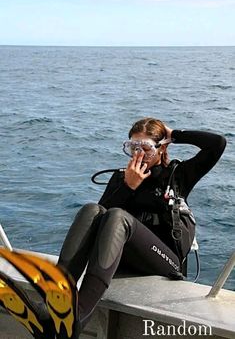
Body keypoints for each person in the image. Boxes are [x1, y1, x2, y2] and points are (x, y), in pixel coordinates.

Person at [57, 117, 227, 336]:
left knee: (119, 216)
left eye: (145, 148)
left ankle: (78, 318)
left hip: (164, 261)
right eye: (132, 147)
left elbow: (218, 144)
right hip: (125, 257)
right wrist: (127, 187)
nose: (139, 155)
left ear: (160, 148)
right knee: (91, 210)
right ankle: (56, 298)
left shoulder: (177, 176)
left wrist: (175, 135)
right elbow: (98, 223)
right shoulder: (122, 177)